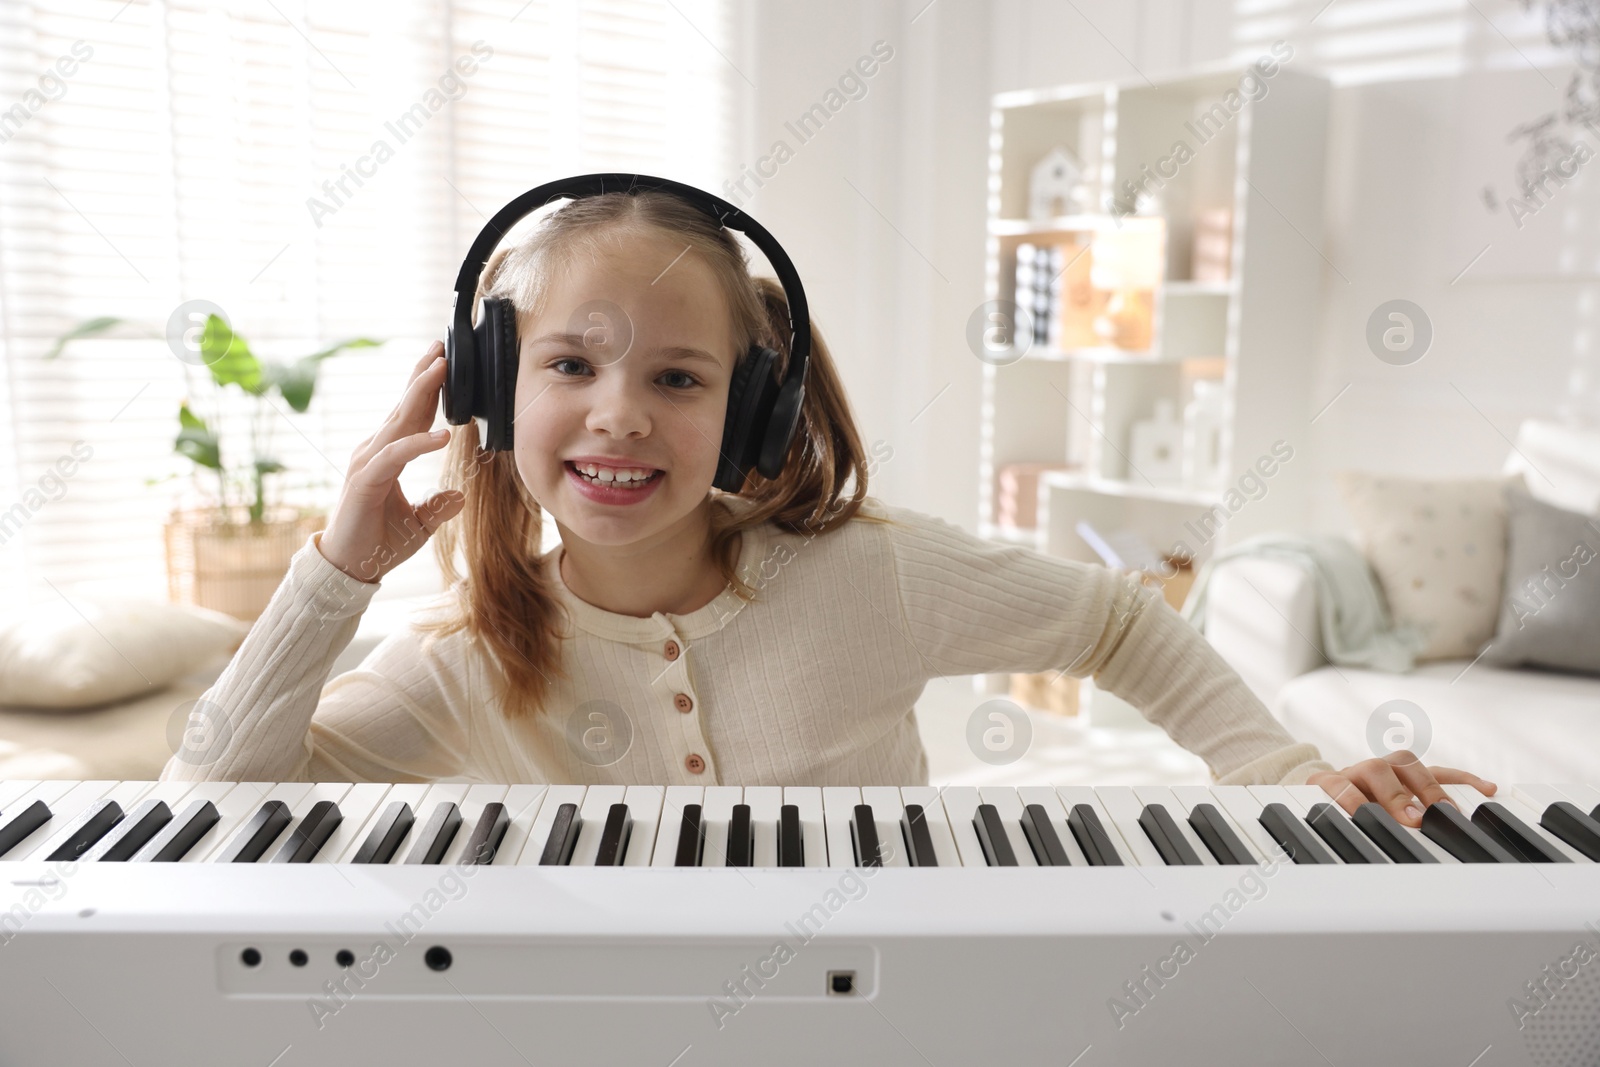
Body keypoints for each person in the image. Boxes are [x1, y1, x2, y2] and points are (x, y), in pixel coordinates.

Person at [160, 189, 1495, 830]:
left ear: (748, 413)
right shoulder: (465, 659)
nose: (620, 412)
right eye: (569, 364)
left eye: (677, 378)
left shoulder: (871, 574)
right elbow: (205, 800)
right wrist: (337, 570)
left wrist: (1270, 773)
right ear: (499, 389)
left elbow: (1112, 621)